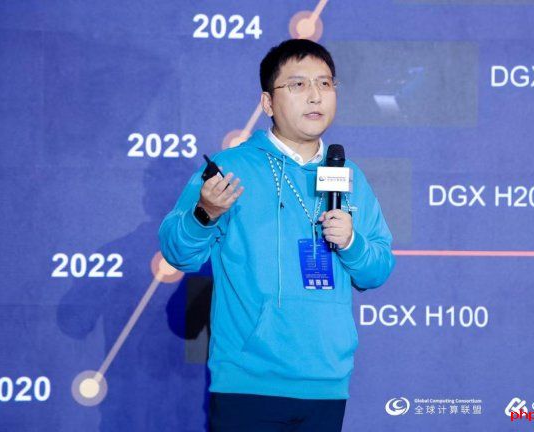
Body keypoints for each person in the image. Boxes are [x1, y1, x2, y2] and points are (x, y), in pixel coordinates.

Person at [159, 39, 395, 431]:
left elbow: (378, 270)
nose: (315, 95)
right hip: (248, 381)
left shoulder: (348, 175)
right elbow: (178, 253)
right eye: (298, 85)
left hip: (326, 381)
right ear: (268, 103)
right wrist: (205, 213)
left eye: (325, 83)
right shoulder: (230, 169)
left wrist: (352, 243)